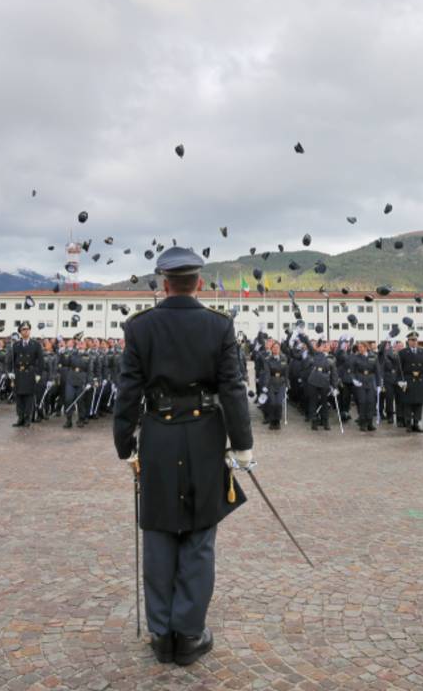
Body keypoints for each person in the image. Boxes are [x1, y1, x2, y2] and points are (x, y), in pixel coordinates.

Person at [113, 246, 253, 667]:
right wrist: (242, 444)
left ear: (163, 283)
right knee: (198, 536)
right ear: (200, 283)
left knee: (158, 534)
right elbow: (232, 388)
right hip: (204, 437)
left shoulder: (141, 327)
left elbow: (128, 392)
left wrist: (124, 443)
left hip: (157, 438)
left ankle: (162, 635)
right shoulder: (218, 326)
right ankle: (189, 635)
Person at [397, 331, 423, 432]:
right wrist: (400, 381)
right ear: (408, 341)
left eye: (415, 340)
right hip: (408, 380)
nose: (414, 342)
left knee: (418, 403)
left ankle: (416, 423)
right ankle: (408, 424)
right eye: (412, 340)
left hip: (419, 380)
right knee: (408, 404)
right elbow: (399, 369)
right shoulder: (402, 353)